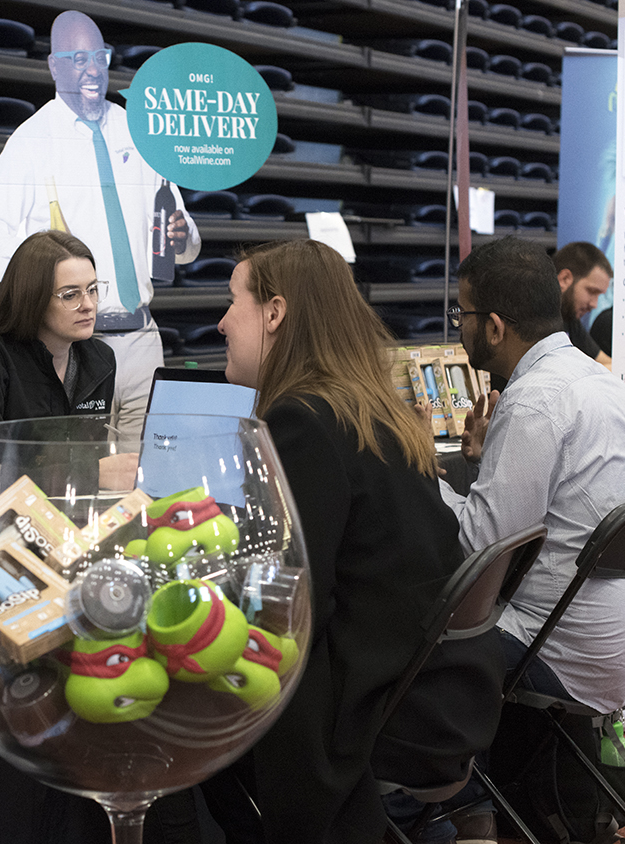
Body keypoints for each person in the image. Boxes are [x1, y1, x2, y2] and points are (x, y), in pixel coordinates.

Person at [214, 239, 468, 844]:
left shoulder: (302, 420)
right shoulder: (369, 408)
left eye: (232, 302)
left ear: (274, 313)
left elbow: (287, 605)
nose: (221, 322)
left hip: (350, 709)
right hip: (419, 681)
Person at [439, 237, 625, 838]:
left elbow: (480, 551)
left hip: (572, 647)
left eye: (460, 315)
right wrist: (488, 465)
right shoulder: (598, 381)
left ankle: (468, 823)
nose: (457, 328)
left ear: (492, 326)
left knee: (431, 658)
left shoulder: (535, 400)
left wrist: (424, 486)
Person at [0, 10, 202, 434]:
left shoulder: (140, 130)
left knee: (144, 473)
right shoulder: (32, 139)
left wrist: (183, 235)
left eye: (99, 56)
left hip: (142, 336)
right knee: (76, 469)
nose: (92, 69)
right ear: (54, 66)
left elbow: (186, 247)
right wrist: (41, 287)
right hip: (73, 344)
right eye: (78, 59)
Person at [0, 231, 114, 489]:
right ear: (33, 298)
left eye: (92, 290)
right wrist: (90, 474)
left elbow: (90, 455)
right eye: (70, 295)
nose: (88, 305)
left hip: (55, 509)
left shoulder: (100, 360)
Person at [552, 242, 613, 368]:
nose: (594, 304)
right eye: (591, 291)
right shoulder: (536, 321)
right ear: (565, 279)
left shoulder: (569, 317)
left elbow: (605, 363)